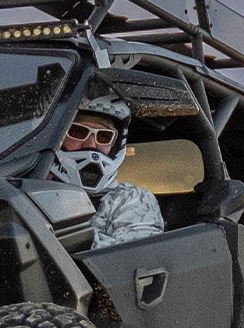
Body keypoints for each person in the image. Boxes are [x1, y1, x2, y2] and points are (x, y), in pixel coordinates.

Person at [50, 95, 162, 247]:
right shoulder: (26, 188)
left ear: (115, 146)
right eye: (78, 132)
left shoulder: (130, 198)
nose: (91, 145)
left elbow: (130, 259)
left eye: (104, 136)